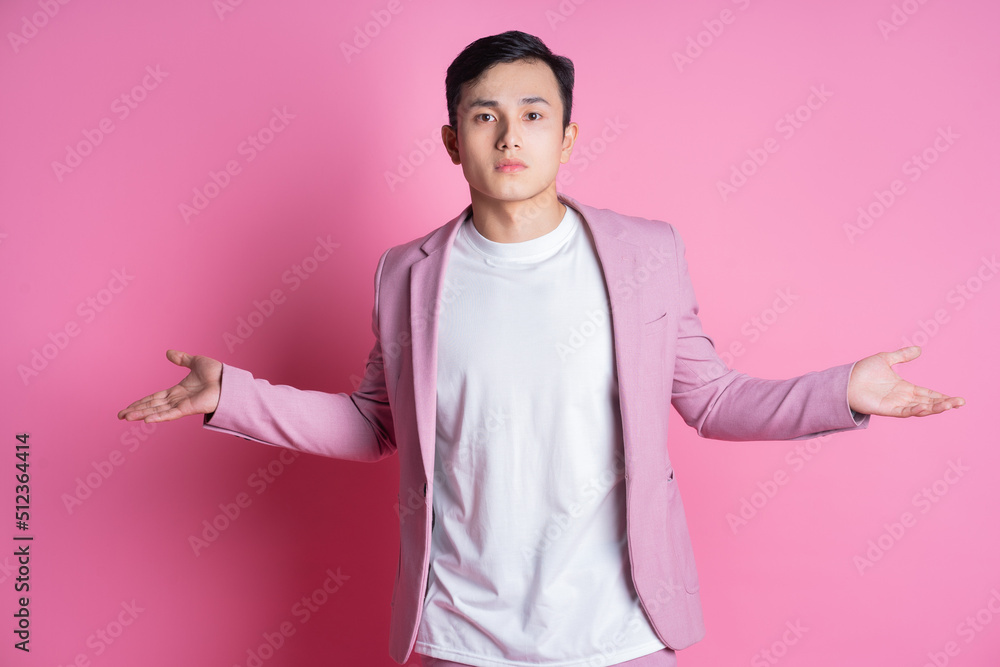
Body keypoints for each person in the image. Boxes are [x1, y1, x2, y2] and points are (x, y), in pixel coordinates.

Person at [118, 30, 965, 667]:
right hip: (459, 631)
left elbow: (710, 398)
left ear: (566, 135)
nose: (509, 136)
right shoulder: (406, 276)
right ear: (453, 139)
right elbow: (375, 421)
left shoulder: (645, 255)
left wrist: (844, 389)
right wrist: (232, 394)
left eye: (533, 114)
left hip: (619, 630)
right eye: (484, 117)